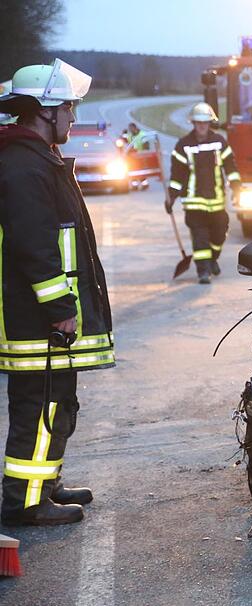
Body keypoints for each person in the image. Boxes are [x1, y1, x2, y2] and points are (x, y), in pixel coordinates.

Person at [0, 60, 115, 526]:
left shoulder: (35, 158)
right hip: (36, 317)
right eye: (68, 108)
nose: (72, 116)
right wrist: (60, 307)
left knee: (57, 399)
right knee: (40, 404)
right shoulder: (23, 165)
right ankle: (25, 502)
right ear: (45, 111)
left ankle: (44, 483)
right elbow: (34, 245)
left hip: (42, 315)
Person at [166, 102, 242, 284]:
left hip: (217, 202)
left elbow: (230, 167)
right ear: (193, 123)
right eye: (198, 122)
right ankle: (203, 271)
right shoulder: (183, 145)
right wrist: (171, 197)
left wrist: (237, 187)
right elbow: (177, 176)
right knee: (200, 238)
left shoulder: (219, 142)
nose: (201, 126)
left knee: (219, 234)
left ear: (209, 123)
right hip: (194, 203)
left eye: (205, 122)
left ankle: (213, 258)